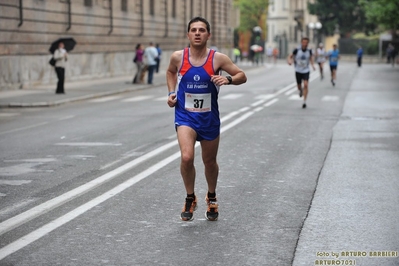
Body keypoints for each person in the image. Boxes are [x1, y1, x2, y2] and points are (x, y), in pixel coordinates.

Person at [166, 16, 247, 222]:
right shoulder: (178, 57)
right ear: (188, 34)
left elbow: (241, 75)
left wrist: (227, 79)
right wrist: (170, 92)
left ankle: (211, 196)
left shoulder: (217, 59)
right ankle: (190, 197)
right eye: (193, 30)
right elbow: (170, 71)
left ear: (208, 35)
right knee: (186, 157)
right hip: (185, 116)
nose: (197, 33)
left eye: (202, 30)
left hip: (209, 118)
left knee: (209, 161)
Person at [287, 37, 316, 109]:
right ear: (301, 42)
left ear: (308, 43)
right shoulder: (297, 50)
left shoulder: (309, 51)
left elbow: (311, 59)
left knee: (306, 85)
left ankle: (304, 101)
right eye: (303, 42)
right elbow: (290, 56)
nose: (305, 44)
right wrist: (289, 61)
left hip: (306, 70)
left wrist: (313, 65)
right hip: (298, 70)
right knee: (299, 86)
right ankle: (300, 90)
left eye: (306, 42)